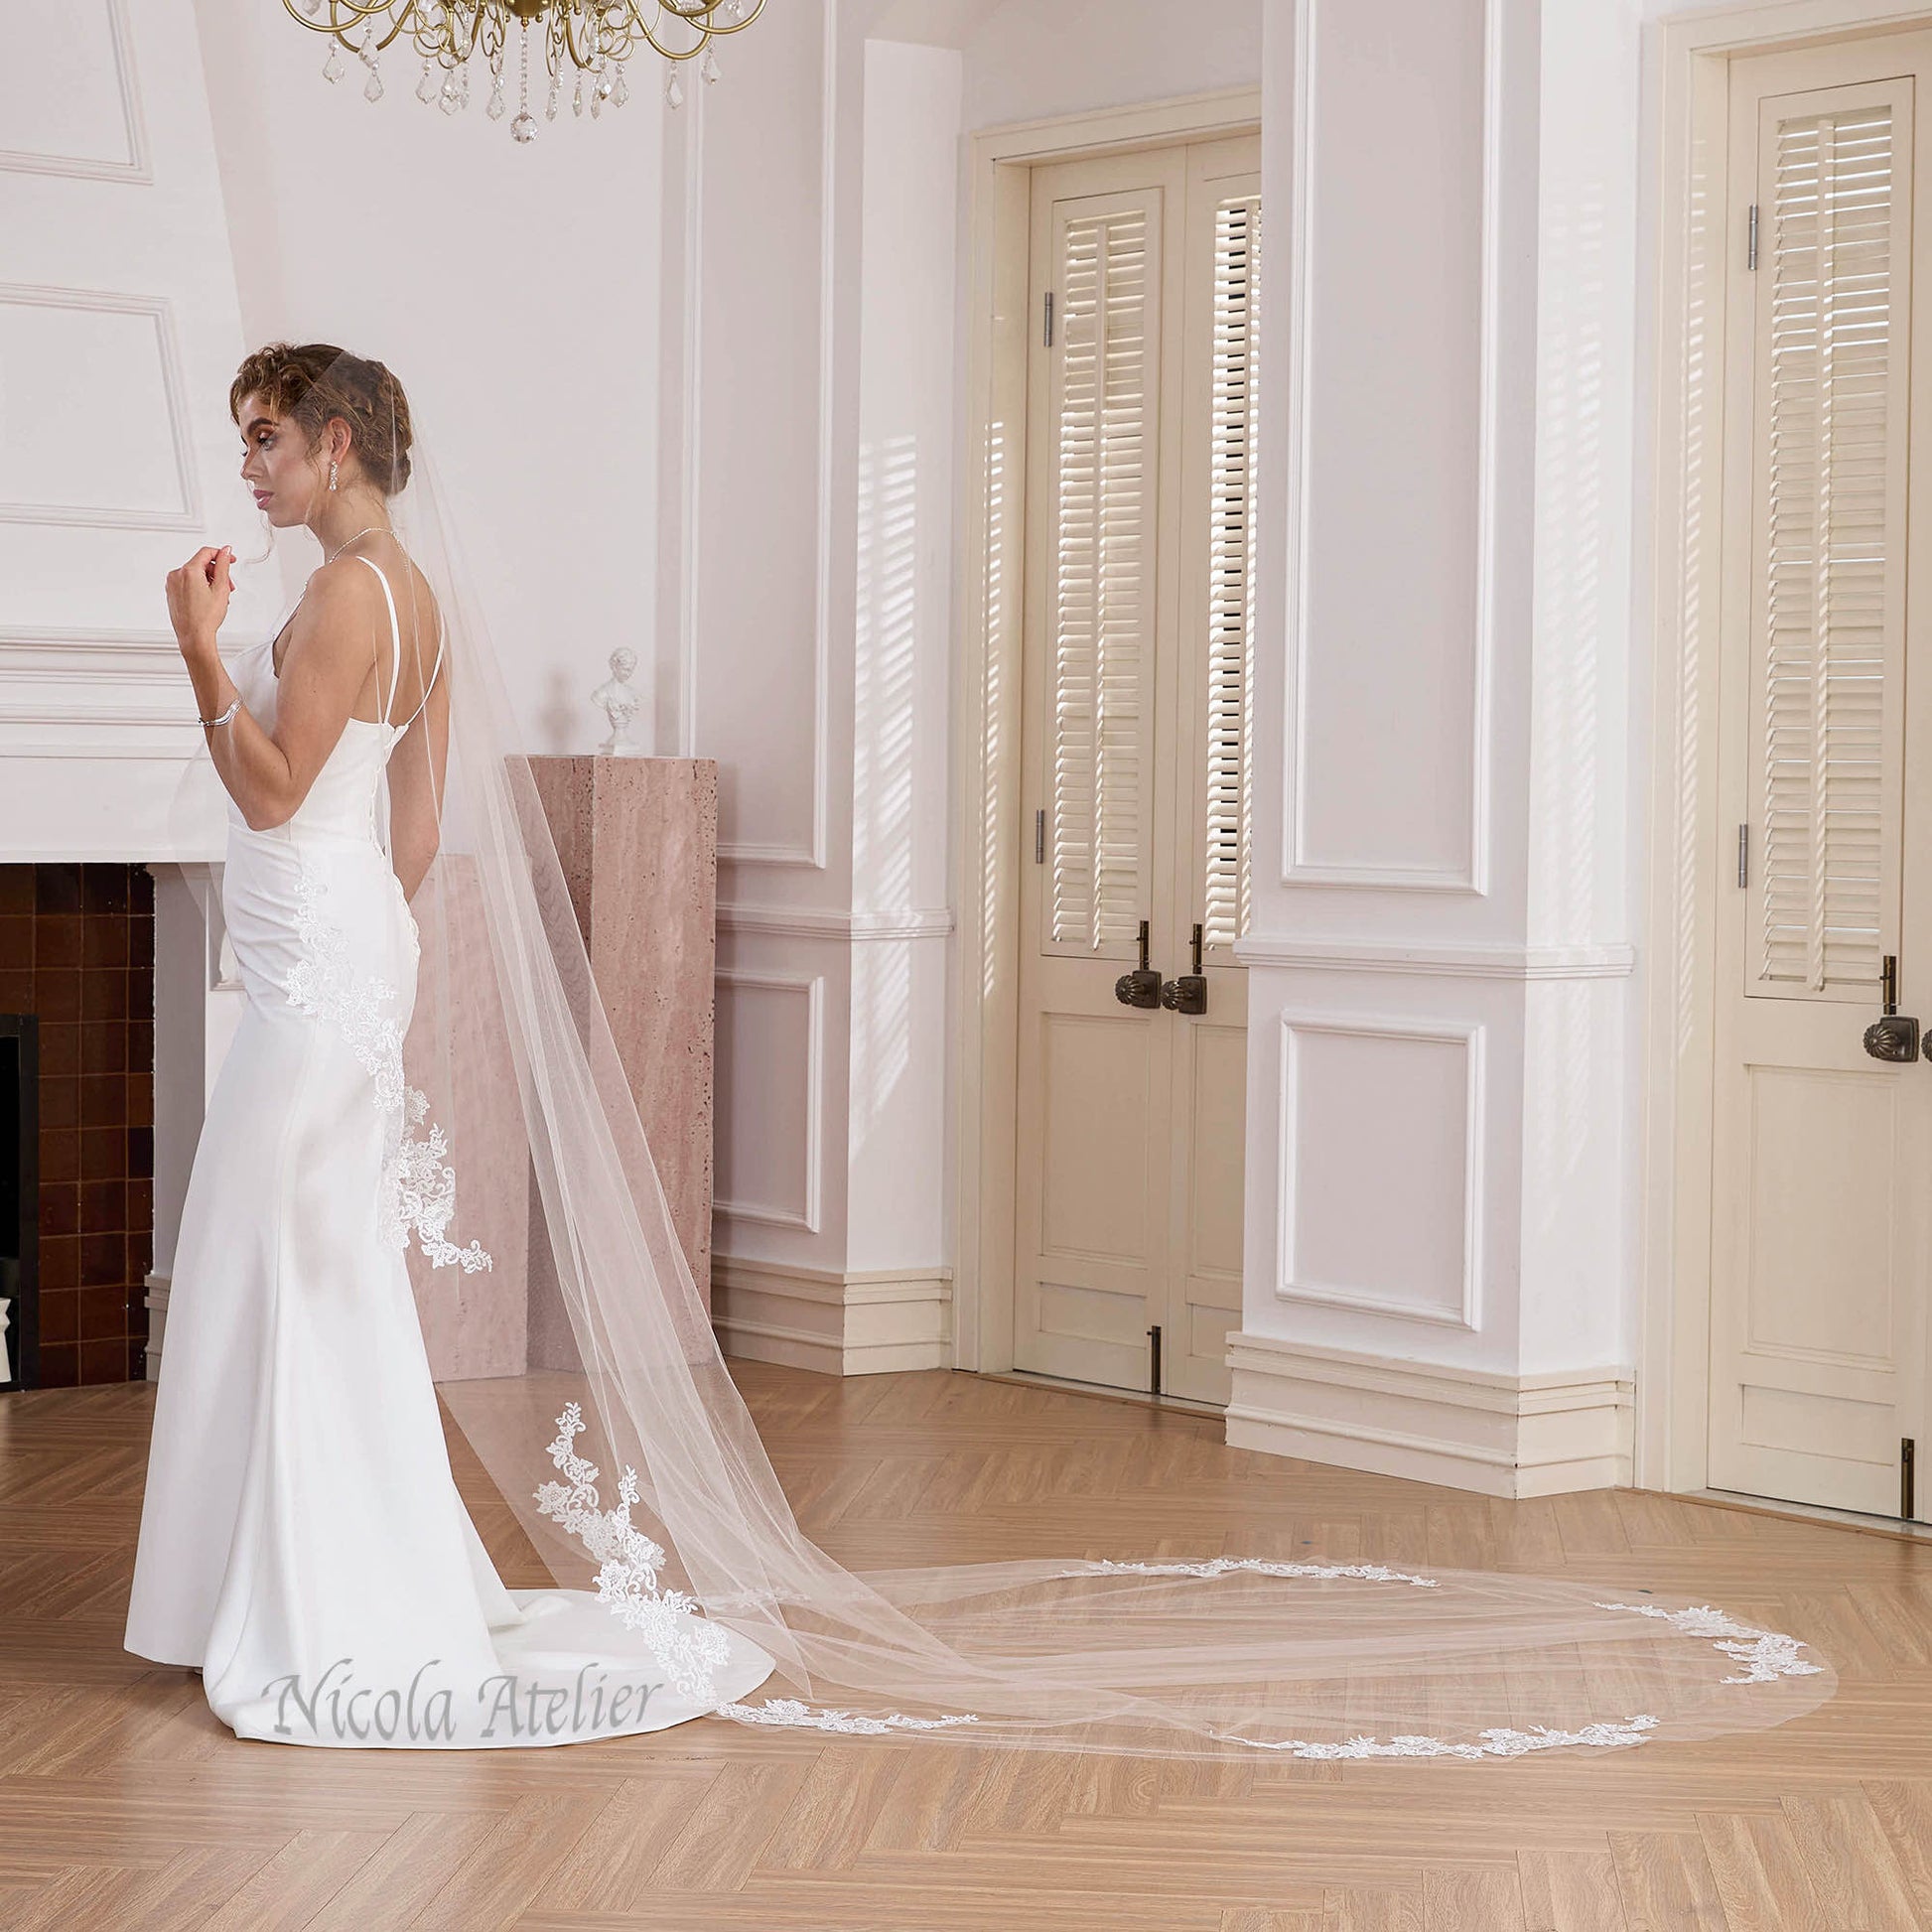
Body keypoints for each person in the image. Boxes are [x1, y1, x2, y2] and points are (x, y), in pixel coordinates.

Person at [127, 343, 1838, 1758]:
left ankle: (301, 1593)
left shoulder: (343, 595)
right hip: (354, 939)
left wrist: (203, 656)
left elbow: (274, 790)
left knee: (284, 1253)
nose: (254, 471)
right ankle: (315, 1580)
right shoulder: (410, 594)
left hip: (312, 956)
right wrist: (349, 918)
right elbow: (411, 836)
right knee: (314, 1266)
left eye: (265, 441)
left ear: (336, 439)